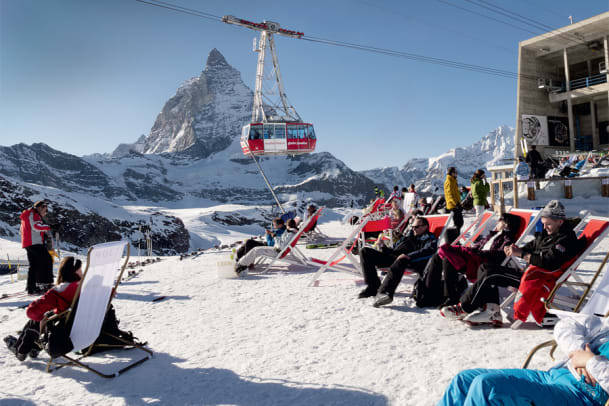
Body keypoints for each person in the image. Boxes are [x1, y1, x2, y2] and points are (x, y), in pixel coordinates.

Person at [440, 200, 579, 325]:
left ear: (560, 222)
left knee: (490, 273)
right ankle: (492, 310)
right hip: (530, 274)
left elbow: (548, 262)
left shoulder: (565, 240)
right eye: (543, 224)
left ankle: (464, 308)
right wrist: (517, 249)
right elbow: (532, 246)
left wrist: (522, 254)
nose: (545, 227)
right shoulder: (548, 234)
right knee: (484, 267)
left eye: (548, 224)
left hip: (538, 280)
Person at [437, 314, 609, 406]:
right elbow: (567, 324)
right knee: (464, 380)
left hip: (583, 397)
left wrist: (591, 362)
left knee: (488, 387)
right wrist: (576, 350)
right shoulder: (605, 326)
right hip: (552, 376)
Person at [415, 213, 521, 308]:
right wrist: (472, 249)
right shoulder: (492, 234)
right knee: (437, 257)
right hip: (474, 257)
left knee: (448, 259)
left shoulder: (507, 238)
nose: (497, 222)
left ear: (506, 224)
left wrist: (478, 253)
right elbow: (480, 245)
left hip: (480, 262)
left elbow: (499, 254)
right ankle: (430, 294)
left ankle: (451, 297)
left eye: (500, 220)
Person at [4, 256, 82, 361]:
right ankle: (34, 348)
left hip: (64, 335)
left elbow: (31, 312)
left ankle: (20, 350)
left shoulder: (60, 291)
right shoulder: (89, 288)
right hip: (85, 329)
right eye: (81, 270)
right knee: (48, 316)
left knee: (35, 321)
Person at [357, 216, 438, 307]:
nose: (414, 229)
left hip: (410, 261)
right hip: (394, 258)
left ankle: (385, 292)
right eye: (412, 227)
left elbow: (429, 251)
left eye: (417, 227)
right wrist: (383, 247)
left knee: (401, 260)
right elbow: (393, 250)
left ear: (425, 227)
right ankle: (373, 287)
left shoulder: (429, 238)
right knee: (365, 251)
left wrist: (408, 256)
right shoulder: (407, 237)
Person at [20, 200, 54, 294]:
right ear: (40, 207)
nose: (45, 213)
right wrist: (49, 227)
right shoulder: (34, 214)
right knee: (46, 260)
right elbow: (36, 226)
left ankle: (31, 287)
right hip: (35, 243)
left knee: (34, 265)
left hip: (27, 243)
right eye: (45, 210)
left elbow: (27, 229)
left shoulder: (27, 215)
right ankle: (45, 284)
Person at [444, 167, 463, 232]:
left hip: (455, 204)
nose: (456, 174)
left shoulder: (453, 180)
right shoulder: (449, 181)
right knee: (458, 223)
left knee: (459, 223)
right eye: (455, 172)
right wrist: (456, 204)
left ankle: (457, 238)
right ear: (452, 173)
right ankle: (455, 239)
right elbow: (450, 194)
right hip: (453, 206)